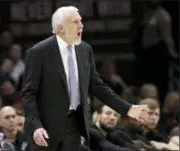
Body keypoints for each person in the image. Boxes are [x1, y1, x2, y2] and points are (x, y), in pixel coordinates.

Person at [22, 6, 150, 151]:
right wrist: (36, 126)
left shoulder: (85, 50)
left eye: (81, 21)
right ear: (61, 28)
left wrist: (128, 108)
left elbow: (98, 87)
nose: (81, 26)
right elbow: (29, 94)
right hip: (46, 130)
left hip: (75, 127)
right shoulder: (39, 52)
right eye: (75, 22)